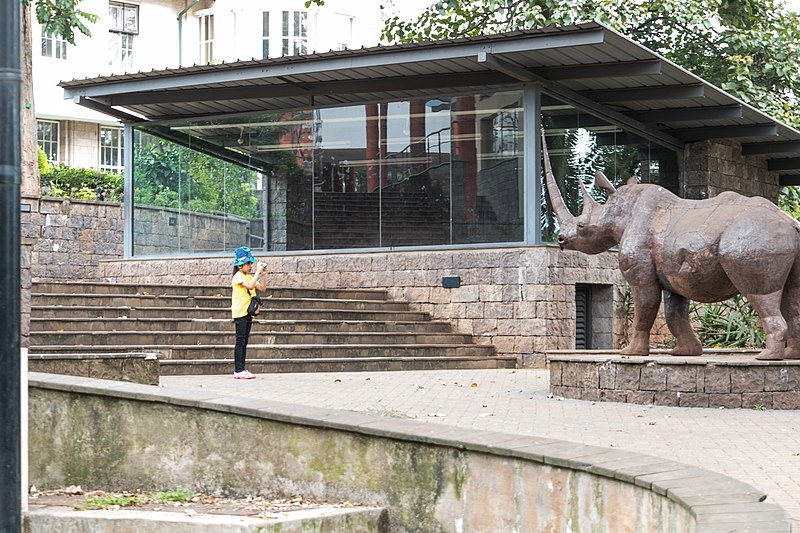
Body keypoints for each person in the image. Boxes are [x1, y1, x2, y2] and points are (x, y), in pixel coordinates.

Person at [231, 246, 267, 379]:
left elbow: (262, 288)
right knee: (240, 341)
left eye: (251, 263)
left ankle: (242, 369)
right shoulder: (238, 277)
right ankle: (238, 370)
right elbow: (251, 286)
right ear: (240, 266)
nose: (250, 266)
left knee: (244, 341)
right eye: (248, 263)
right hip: (240, 313)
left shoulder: (248, 277)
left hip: (248, 313)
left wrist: (263, 275)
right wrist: (257, 271)